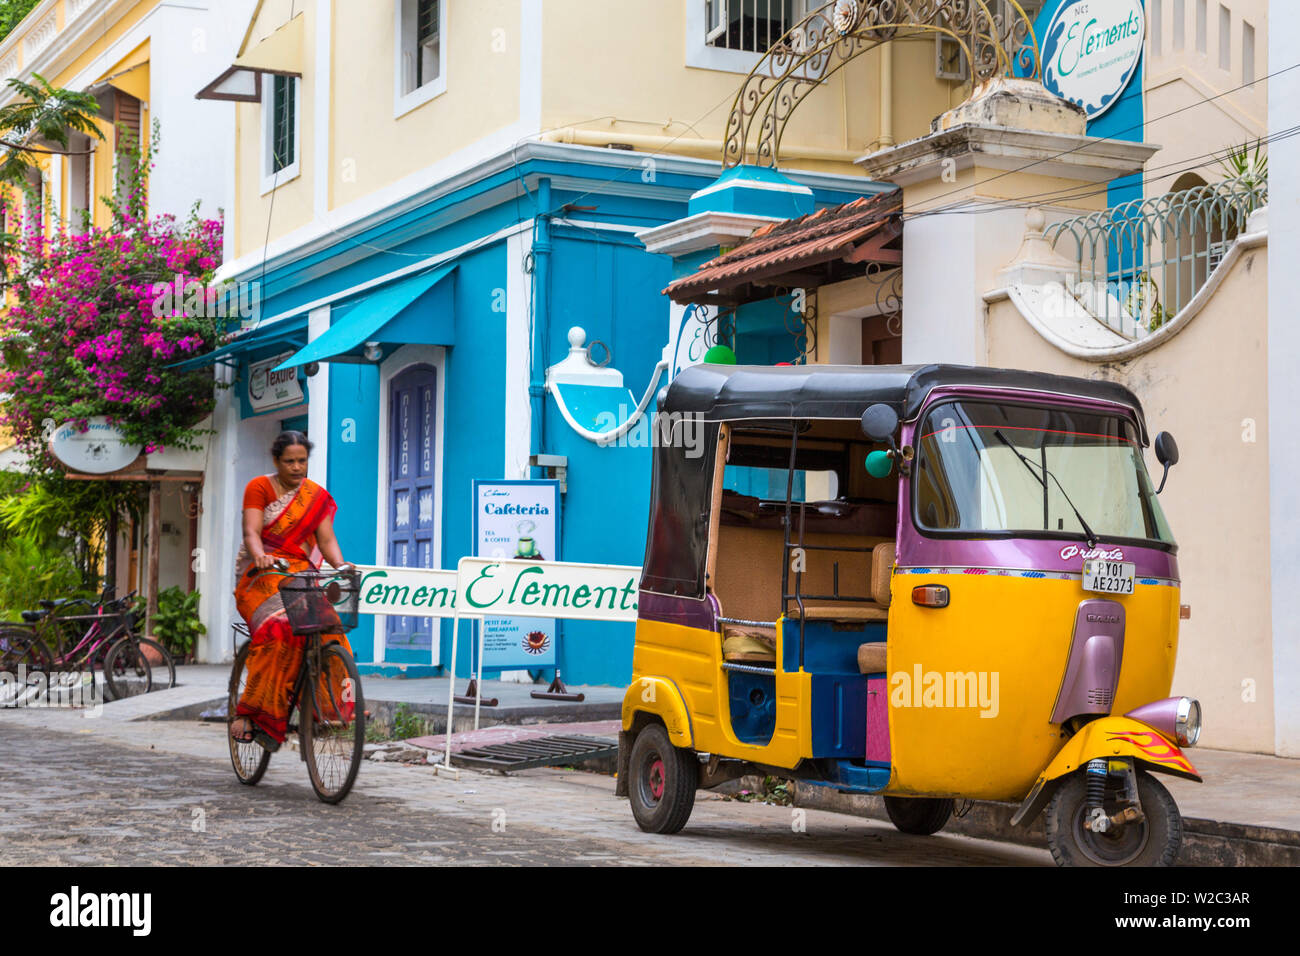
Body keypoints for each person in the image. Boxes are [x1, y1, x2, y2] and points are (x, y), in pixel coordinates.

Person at [230, 431, 351, 750]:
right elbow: (251, 531)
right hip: (261, 574)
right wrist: (260, 555)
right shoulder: (258, 487)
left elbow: (326, 541)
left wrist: (340, 566)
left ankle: (333, 707)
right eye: (290, 461)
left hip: (300, 573)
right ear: (276, 461)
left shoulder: (315, 496)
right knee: (279, 627)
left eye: (302, 461)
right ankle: (254, 713)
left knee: (330, 627)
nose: (297, 467)